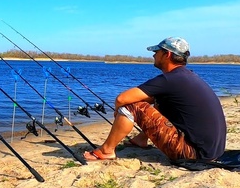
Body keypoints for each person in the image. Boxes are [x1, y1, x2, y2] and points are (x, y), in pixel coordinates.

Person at [84, 37, 226, 162]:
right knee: (160, 100)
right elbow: (152, 99)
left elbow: (122, 99)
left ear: (167, 54)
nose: (153, 55)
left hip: (192, 154)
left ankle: (106, 151)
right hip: (212, 151)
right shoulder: (188, 76)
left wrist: (118, 112)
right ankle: (141, 139)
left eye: (156, 52)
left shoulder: (170, 79)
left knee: (131, 106)